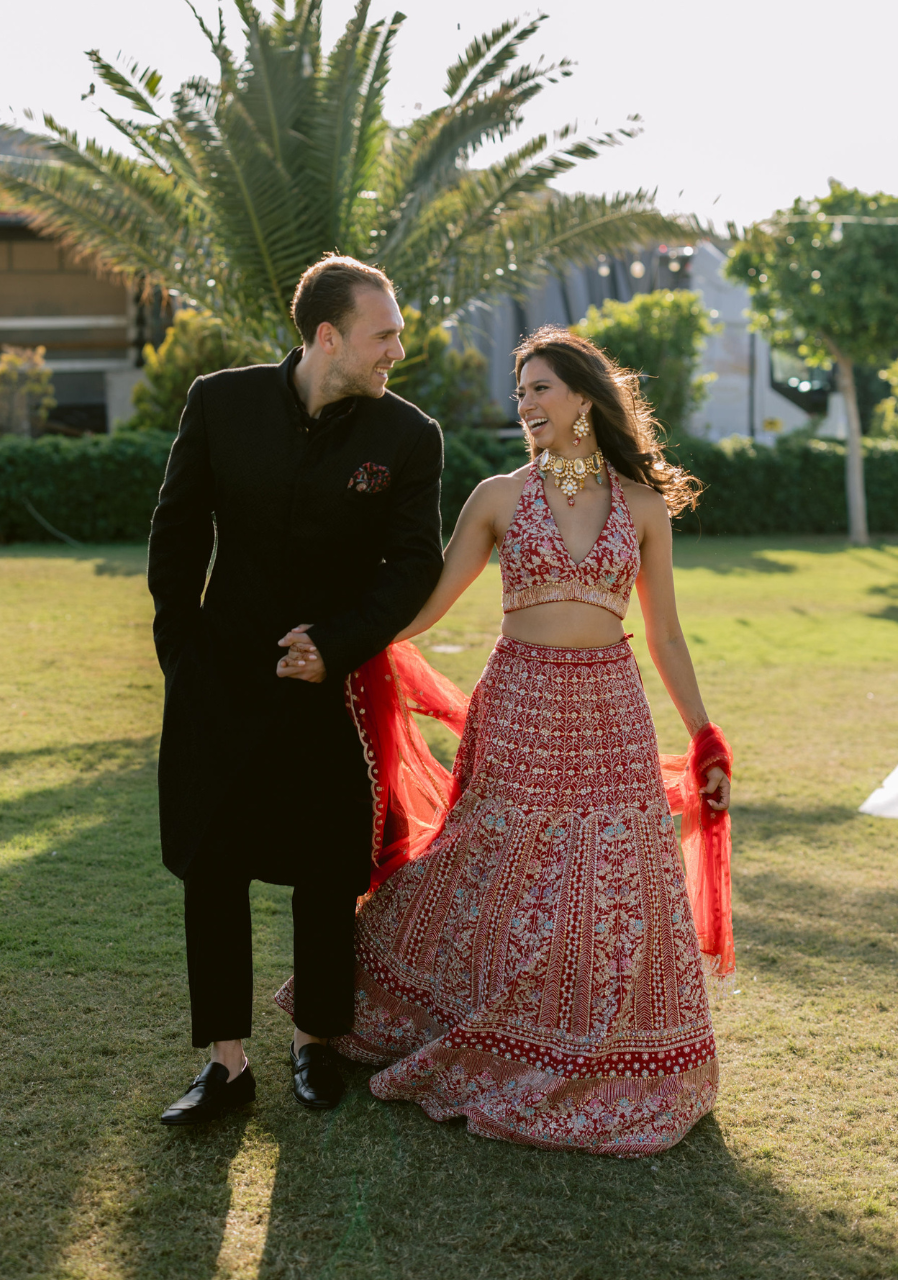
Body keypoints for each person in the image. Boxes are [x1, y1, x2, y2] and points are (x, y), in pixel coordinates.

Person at [277, 325, 733, 1156]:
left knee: (613, 882)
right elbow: (431, 603)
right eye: (520, 391)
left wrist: (705, 736)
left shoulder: (641, 507)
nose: (524, 403)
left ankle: (596, 1049)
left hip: (610, 711)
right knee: (488, 864)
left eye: (540, 388)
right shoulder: (496, 495)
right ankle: (397, 1004)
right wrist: (343, 645)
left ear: (585, 399)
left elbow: (666, 635)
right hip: (520, 702)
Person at [147, 254, 444, 1124]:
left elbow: (413, 565)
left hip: (330, 686)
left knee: (325, 864)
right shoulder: (219, 401)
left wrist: (340, 645)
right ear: (327, 336)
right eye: (382, 333)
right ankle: (226, 1065)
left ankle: (317, 1042)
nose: (397, 348)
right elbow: (176, 528)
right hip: (218, 679)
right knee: (213, 863)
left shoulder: (408, 435)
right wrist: (182, 651)